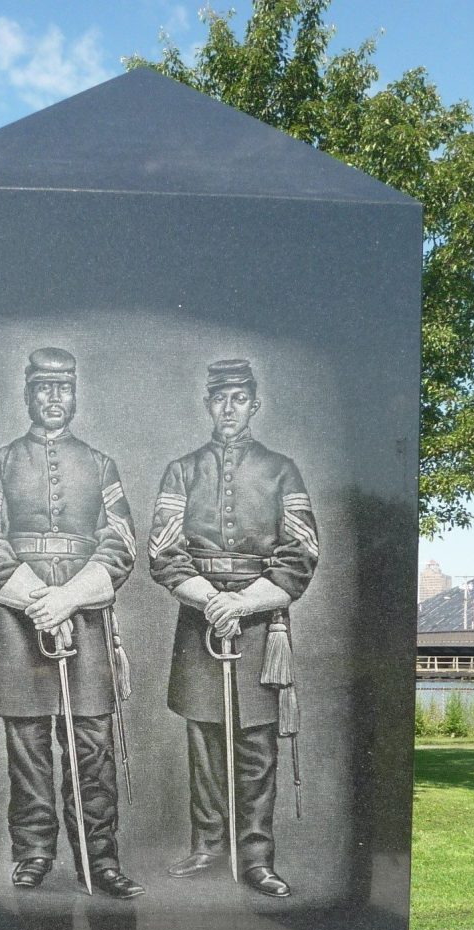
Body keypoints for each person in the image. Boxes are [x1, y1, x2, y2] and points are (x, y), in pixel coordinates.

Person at [0, 347, 143, 899]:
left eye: (63, 387)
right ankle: (34, 853)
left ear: (75, 393)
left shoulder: (101, 464)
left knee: (92, 742)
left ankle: (101, 858)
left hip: (86, 618)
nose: (53, 397)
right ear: (27, 394)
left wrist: (69, 599)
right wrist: (39, 599)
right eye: (43, 387)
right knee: (28, 747)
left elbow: (122, 543)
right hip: (17, 623)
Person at [148, 359, 318, 897]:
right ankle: (207, 847)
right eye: (219, 398)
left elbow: (302, 554)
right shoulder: (181, 471)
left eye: (238, 398)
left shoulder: (282, 470)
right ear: (207, 404)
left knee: (257, 747)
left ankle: (257, 857)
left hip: (261, 623)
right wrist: (208, 599)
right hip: (198, 618)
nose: (228, 407)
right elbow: (163, 553)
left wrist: (242, 604)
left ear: (254, 404)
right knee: (202, 738)